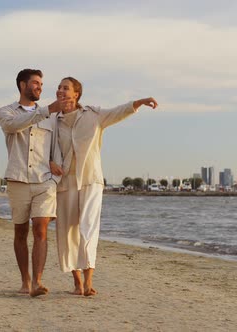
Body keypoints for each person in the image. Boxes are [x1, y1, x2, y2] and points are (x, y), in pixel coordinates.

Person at [50, 77, 157, 296]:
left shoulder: (94, 115)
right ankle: (77, 282)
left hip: (91, 180)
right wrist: (50, 162)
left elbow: (119, 112)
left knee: (88, 228)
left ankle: (89, 282)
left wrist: (140, 102)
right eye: (59, 87)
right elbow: (44, 147)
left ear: (77, 93)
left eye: (65, 87)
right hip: (65, 183)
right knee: (67, 233)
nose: (60, 90)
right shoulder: (53, 120)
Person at [0, 68, 65, 297]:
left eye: (41, 84)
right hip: (17, 180)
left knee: (41, 229)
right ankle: (25, 282)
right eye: (35, 83)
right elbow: (12, 127)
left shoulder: (52, 118)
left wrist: (55, 170)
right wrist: (45, 111)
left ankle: (37, 282)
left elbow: (56, 145)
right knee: (20, 232)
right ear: (22, 85)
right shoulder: (6, 112)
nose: (40, 87)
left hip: (44, 181)